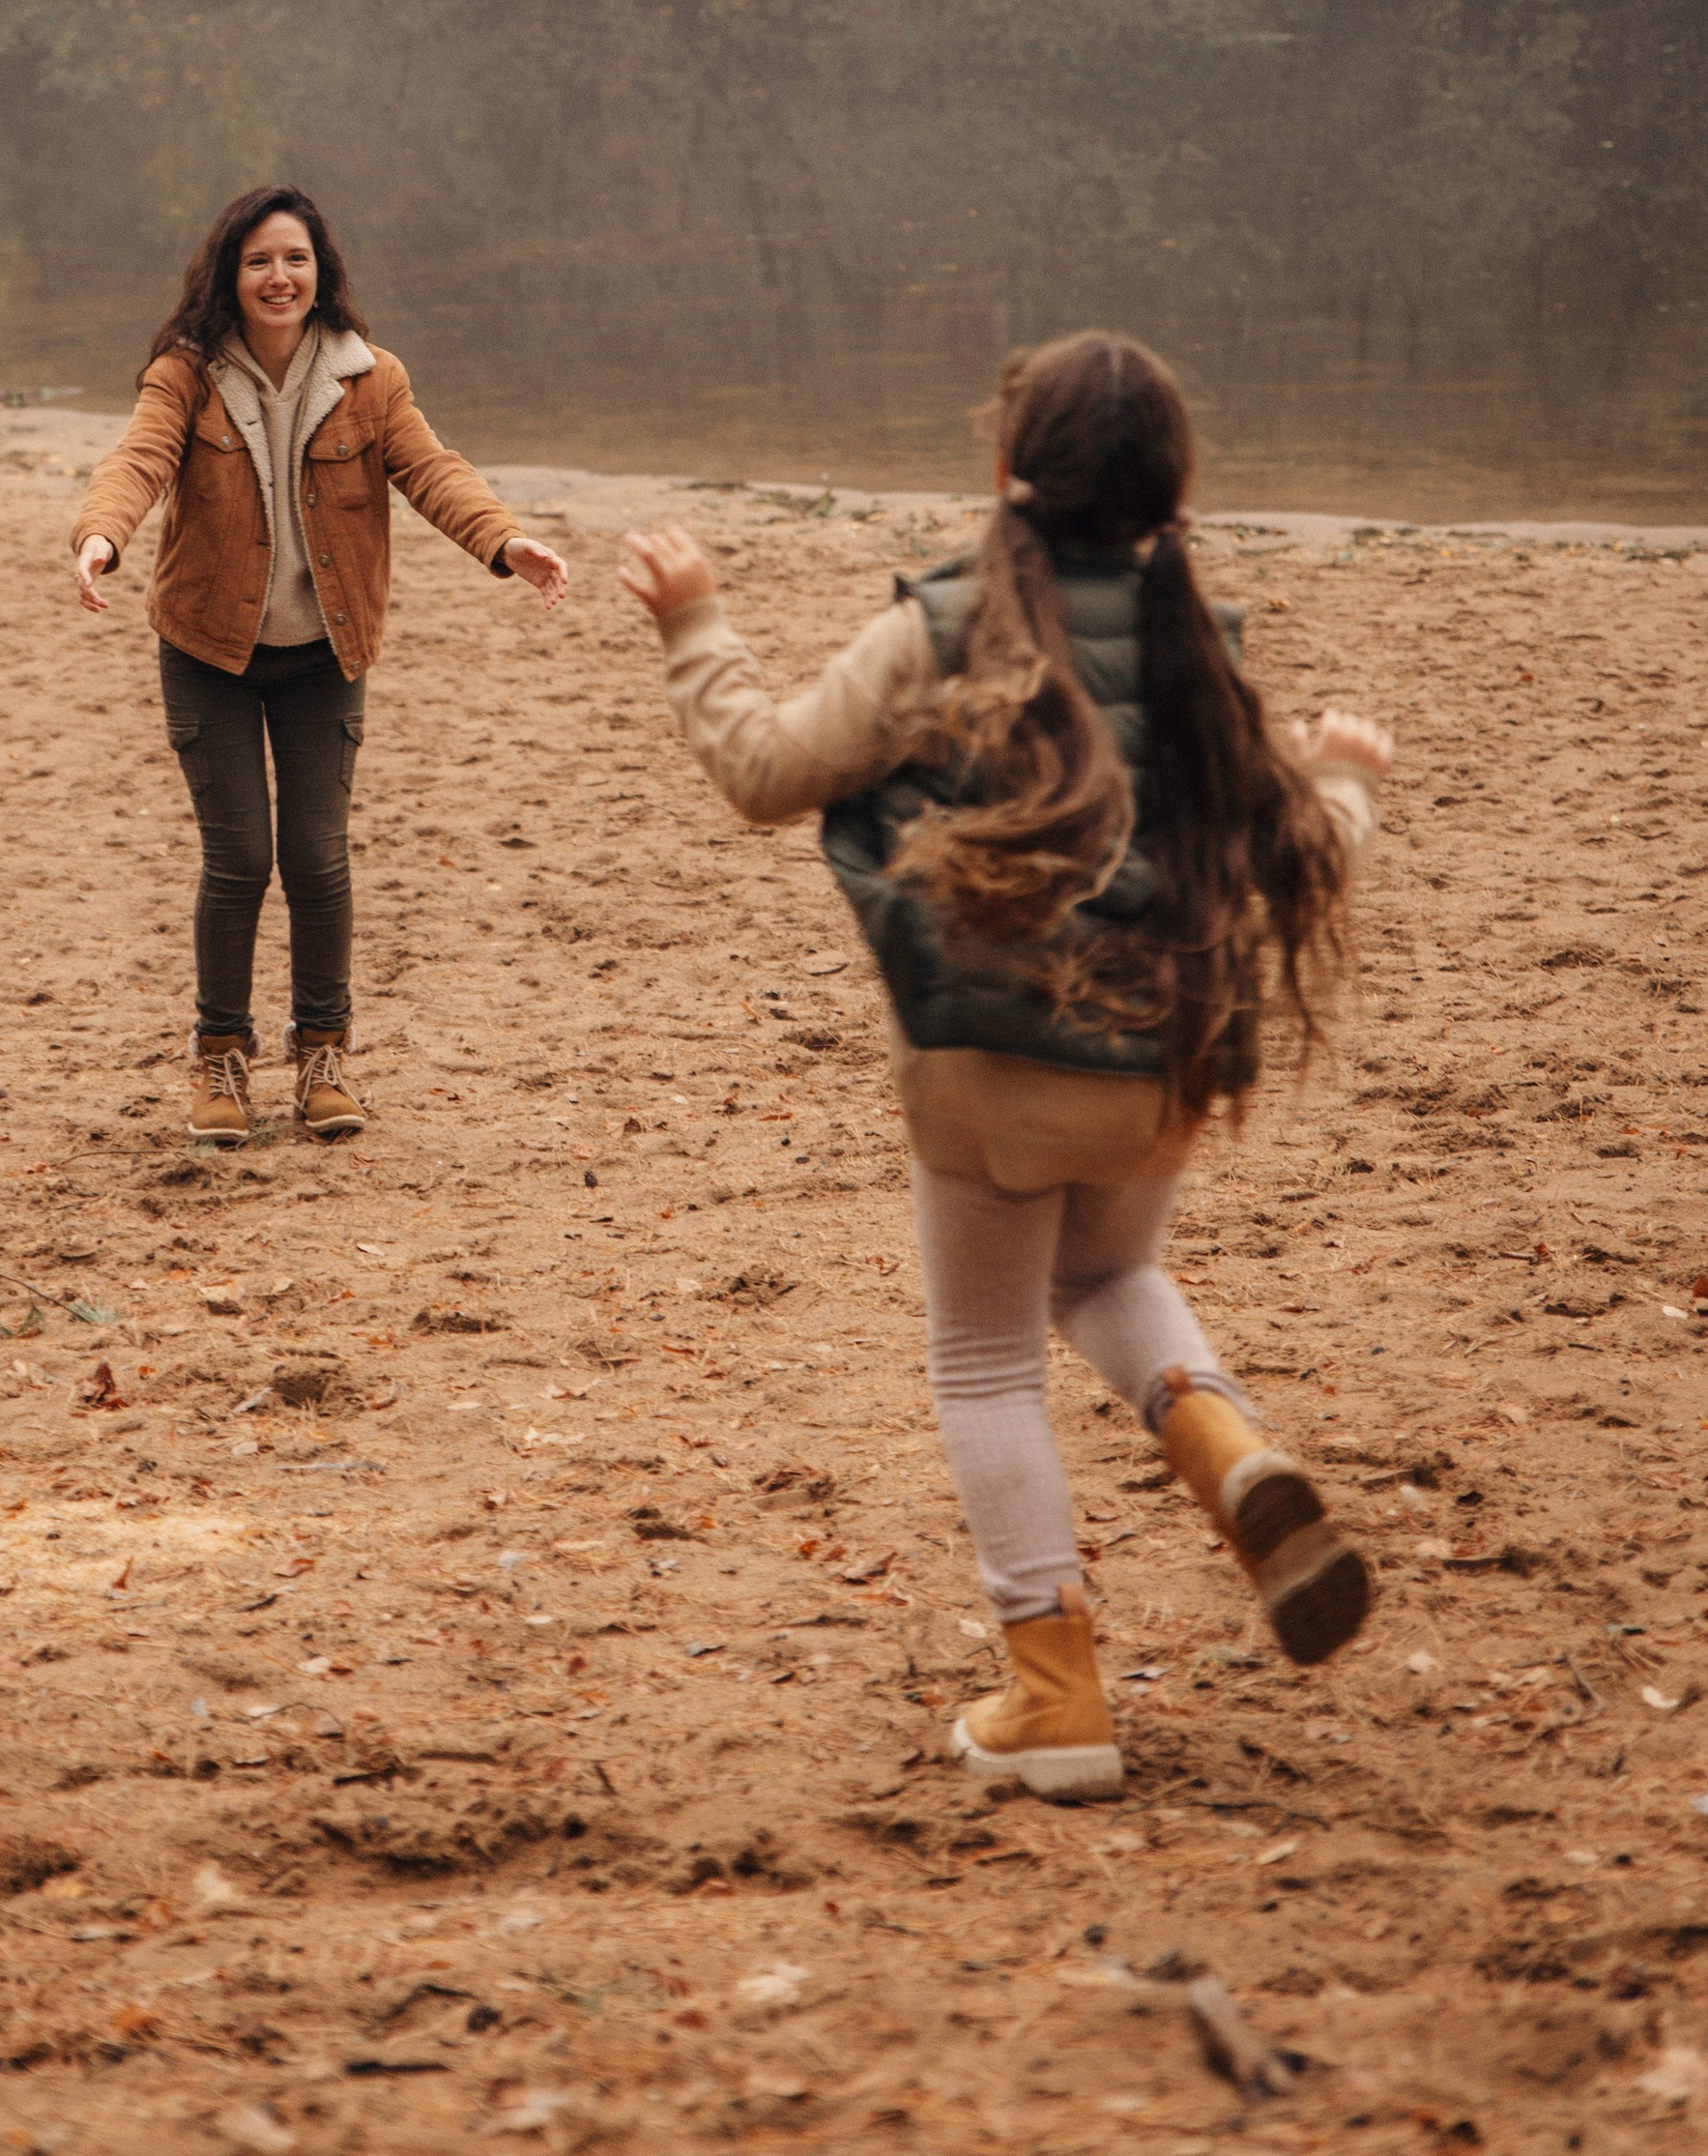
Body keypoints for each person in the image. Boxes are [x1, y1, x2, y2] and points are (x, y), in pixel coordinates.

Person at [619, 331, 1391, 1798]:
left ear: (1004, 468)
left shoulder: (942, 631)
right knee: (1105, 1272)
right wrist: (1347, 775)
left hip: (987, 1073)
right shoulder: (1200, 645)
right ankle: (1224, 1444)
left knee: (983, 1365)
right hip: (1159, 1069)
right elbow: (1294, 853)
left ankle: (1057, 1696)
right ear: (1175, 491)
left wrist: (695, 622)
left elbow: (767, 772)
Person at [72, 186, 568, 1142]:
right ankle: (221, 1062)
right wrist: (101, 536)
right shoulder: (186, 374)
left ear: (320, 271)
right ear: (230, 274)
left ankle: (323, 1058)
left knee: (316, 857)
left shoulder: (369, 378)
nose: (278, 277)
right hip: (208, 650)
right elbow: (137, 461)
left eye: (294, 259)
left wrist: (505, 542)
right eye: (259, 260)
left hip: (324, 653)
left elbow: (431, 470)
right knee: (238, 859)